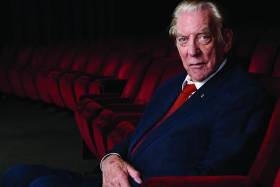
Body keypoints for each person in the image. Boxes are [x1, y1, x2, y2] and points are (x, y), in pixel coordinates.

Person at [1, 0, 272, 187]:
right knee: (17, 173)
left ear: (226, 39)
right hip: (116, 177)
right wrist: (111, 159)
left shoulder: (242, 95)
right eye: (183, 39)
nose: (192, 51)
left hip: (150, 185)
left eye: (203, 37)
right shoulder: (171, 84)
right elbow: (137, 138)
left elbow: (216, 172)